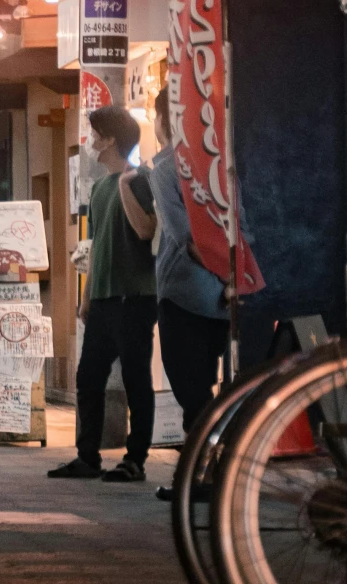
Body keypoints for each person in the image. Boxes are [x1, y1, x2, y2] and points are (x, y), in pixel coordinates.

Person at [120, 85, 231, 502]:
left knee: (191, 389)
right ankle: (214, 471)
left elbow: (185, 238)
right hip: (228, 296)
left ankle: (203, 476)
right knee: (220, 388)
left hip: (184, 293)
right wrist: (231, 279)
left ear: (165, 118)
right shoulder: (225, 164)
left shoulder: (166, 168)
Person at [50, 104, 158, 484]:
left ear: (111, 138)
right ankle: (87, 456)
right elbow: (94, 246)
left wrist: (129, 185)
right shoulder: (98, 187)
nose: (92, 140)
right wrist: (86, 297)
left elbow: (145, 230)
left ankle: (135, 459)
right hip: (104, 298)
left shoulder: (141, 179)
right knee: (88, 377)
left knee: (135, 379)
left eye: (97, 134)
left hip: (136, 295)